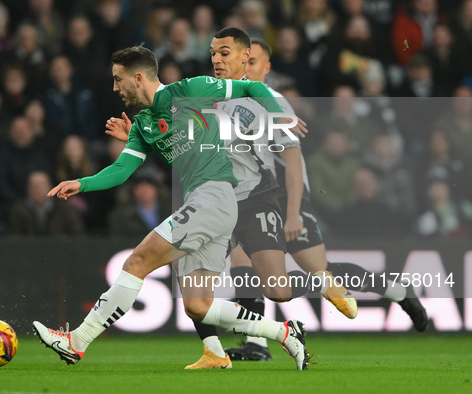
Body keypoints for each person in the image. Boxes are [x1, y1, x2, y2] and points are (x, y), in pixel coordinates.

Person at [33, 45, 311, 371]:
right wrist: (82, 183)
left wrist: (275, 114)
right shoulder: (143, 125)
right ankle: (286, 333)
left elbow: (251, 85)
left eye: (117, 79)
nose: (114, 88)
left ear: (138, 78)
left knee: (137, 261)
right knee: (198, 306)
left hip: (215, 197)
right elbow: (121, 171)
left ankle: (76, 342)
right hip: (205, 203)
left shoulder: (190, 89)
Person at [104, 30, 355, 370]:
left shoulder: (265, 97)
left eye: (225, 53)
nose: (217, 60)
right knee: (187, 273)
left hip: (253, 195)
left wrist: (294, 208)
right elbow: (178, 138)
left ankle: (320, 282)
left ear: (245, 56)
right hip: (211, 197)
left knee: (276, 289)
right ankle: (213, 350)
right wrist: (142, 137)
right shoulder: (200, 89)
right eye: (213, 54)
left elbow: (289, 155)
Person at [189, 35, 428, 366]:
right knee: (244, 266)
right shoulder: (218, 96)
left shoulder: (271, 100)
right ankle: (256, 343)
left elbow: (293, 160)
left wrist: (293, 212)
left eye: (253, 62)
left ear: (263, 67)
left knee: (318, 271)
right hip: (245, 198)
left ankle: (398, 291)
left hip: (286, 196)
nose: (243, 66)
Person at [8, 170, 84, 235]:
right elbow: (14, 238)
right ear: (28, 189)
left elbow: (77, 235)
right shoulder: (18, 210)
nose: (37, 189)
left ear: (50, 187)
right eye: (33, 185)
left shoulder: (65, 209)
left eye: (41, 185)